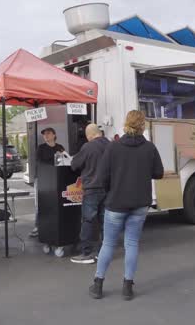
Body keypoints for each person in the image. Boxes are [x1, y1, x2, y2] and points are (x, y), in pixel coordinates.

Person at [88, 110, 164, 301]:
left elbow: (102, 177)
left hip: (116, 204)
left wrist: (110, 192)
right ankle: (127, 287)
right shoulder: (149, 148)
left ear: (125, 123)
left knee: (108, 244)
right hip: (140, 204)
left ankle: (98, 284)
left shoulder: (113, 148)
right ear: (142, 125)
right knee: (131, 244)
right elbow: (159, 173)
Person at [70, 124, 110, 264]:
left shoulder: (88, 147)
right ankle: (103, 252)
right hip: (108, 189)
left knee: (88, 220)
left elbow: (74, 164)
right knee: (105, 221)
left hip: (92, 188)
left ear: (90, 135)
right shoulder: (111, 145)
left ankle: (86, 252)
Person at [29, 127, 65, 238]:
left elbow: (65, 160)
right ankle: (38, 226)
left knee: (55, 202)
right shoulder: (41, 148)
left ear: (54, 135)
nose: (46, 136)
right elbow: (39, 162)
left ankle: (54, 224)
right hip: (42, 179)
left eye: (48, 133)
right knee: (40, 203)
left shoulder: (60, 147)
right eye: (44, 134)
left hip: (56, 179)